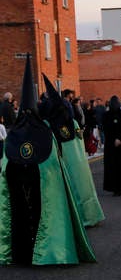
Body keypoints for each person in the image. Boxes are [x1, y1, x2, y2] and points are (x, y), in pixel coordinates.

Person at [0, 56, 95, 265]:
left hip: (23, 188)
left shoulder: (15, 133)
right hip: (39, 187)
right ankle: (43, 251)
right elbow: (52, 164)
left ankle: (22, 255)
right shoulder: (44, 132)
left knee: (22, 218)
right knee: (36, 217)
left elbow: (6, 166)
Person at [39, 75, 104, 227]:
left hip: (65, 155)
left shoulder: (49, 126)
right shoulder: (72, 122)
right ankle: (88, 215)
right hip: (76, 160)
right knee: (80, 183)